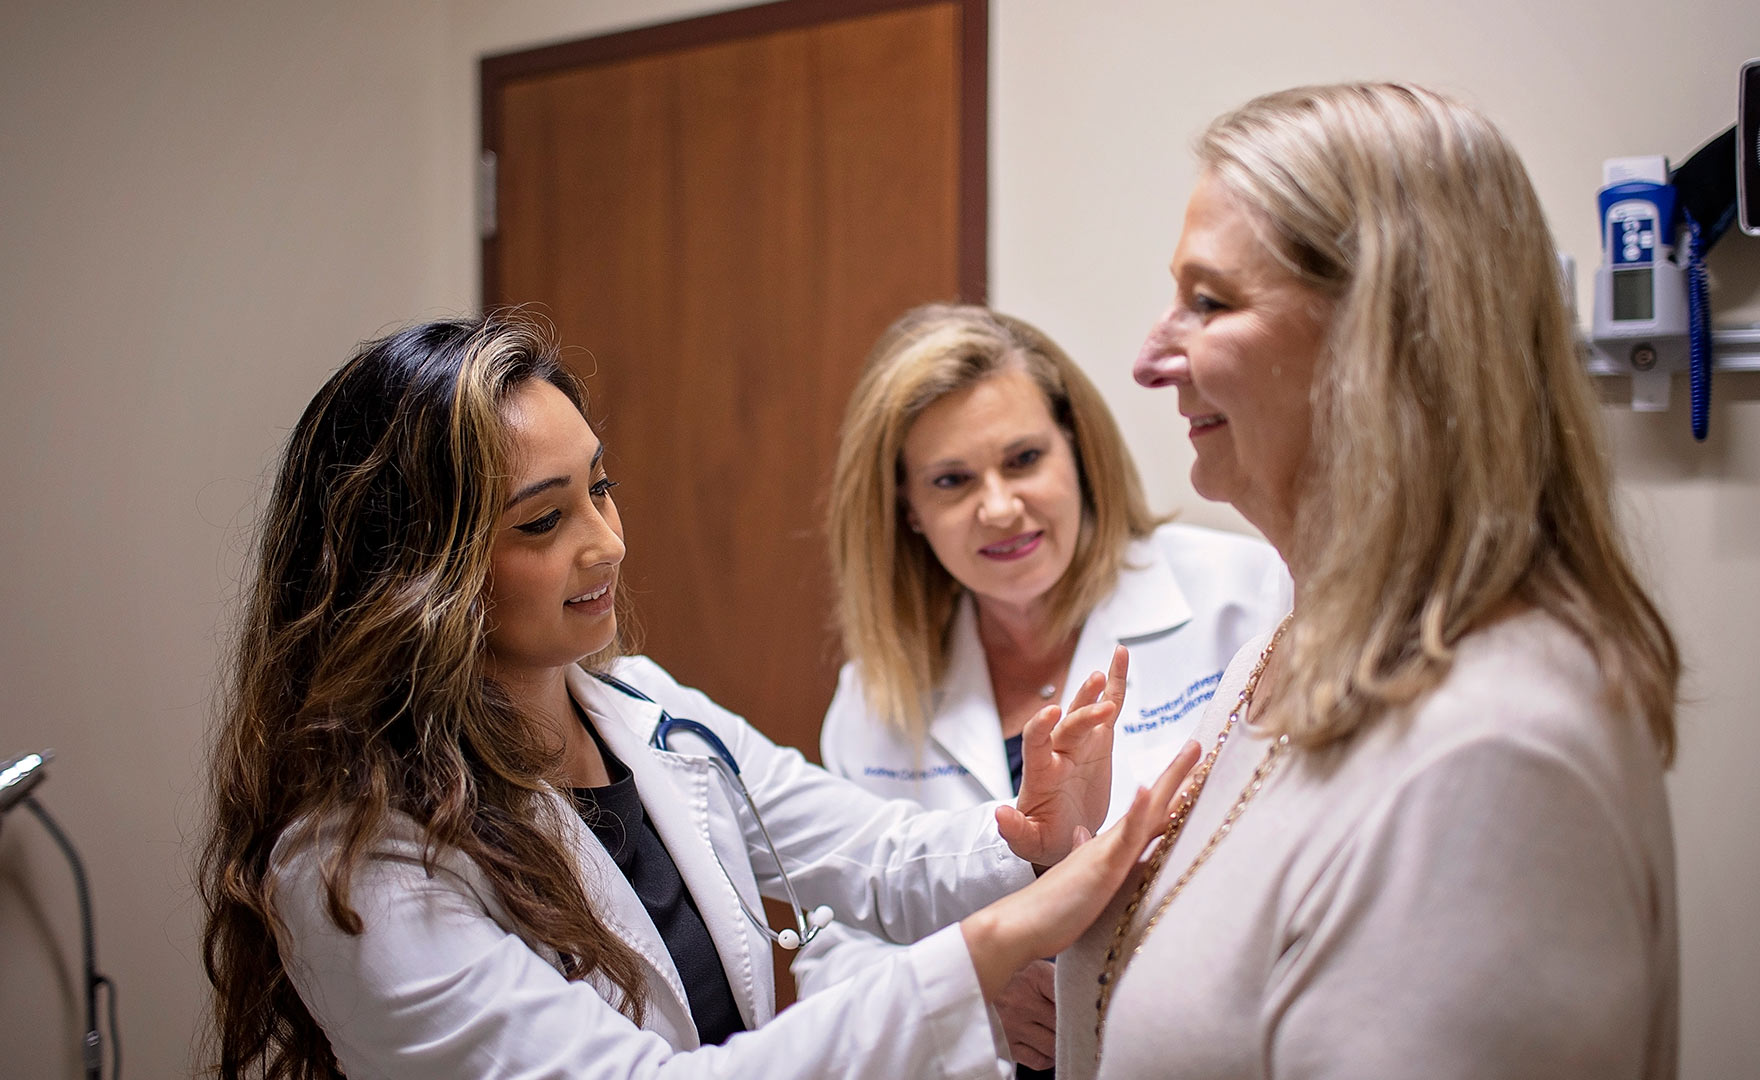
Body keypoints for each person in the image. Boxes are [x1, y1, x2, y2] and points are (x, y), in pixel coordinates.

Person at [197, 315, 1201, 1080]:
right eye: (543, 522)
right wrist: (1000, 945)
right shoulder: (362, 866)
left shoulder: (641, 707)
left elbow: (873, 856)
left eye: (601, 486)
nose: (606, 543)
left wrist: (1026, 835)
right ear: (415, 569)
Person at [1053, 83, 1682, 1079]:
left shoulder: (1488, 757)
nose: (1148, 358)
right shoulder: (1301, 638)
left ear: (1379, 341)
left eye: (1209, 302)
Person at [792, 303, 1289, 1074]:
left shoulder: (1245, 597)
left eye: (1023, 459)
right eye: (952, 480)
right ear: (910, 512)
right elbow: (833, 955)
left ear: (1078, 455)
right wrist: (969, 1002)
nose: (998, 507)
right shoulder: (874, 700)